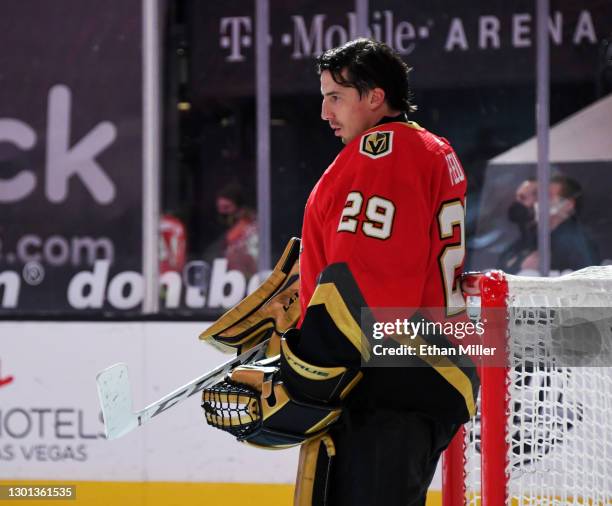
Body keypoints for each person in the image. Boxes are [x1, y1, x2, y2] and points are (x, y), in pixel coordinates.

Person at [290, 38, 478, 505]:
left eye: (336, 97)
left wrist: (302, 363)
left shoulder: (383, 153)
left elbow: (365, 284)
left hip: (388, 379)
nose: (324, 112)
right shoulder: (427, 148)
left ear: (375, 97)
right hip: (406, 375)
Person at [500, 175, 599, 274]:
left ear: (568, 204)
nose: (537, 201)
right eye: (538, 195)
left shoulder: (577, 243)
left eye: (547, 195)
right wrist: (521, 266)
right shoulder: (532, 237)